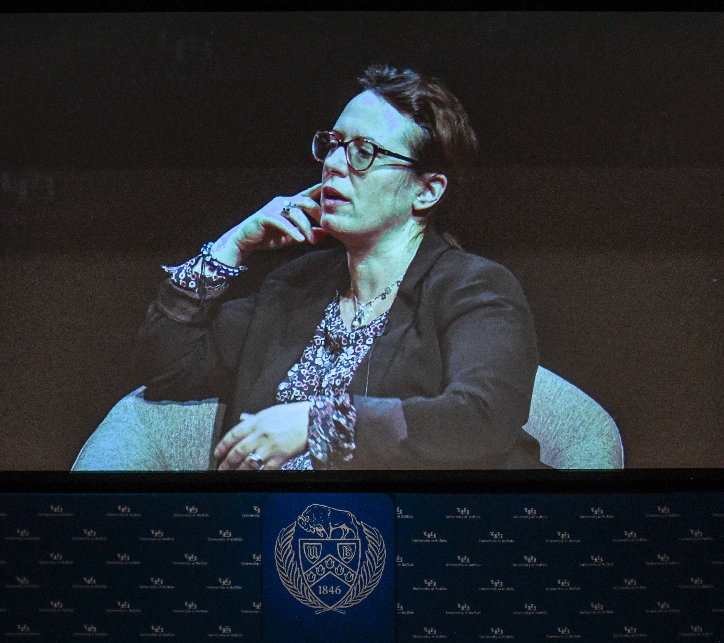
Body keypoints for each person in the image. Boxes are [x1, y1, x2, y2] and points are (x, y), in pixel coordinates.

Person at [138, 64, 542, 471]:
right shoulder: (296, 284)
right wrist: (233, 246)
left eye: (364, 152)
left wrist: (320, 423)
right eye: (332, 144)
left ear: (426, 190)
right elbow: (169, 371)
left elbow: (481, 418)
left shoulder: (474, 287)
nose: (333, 163)